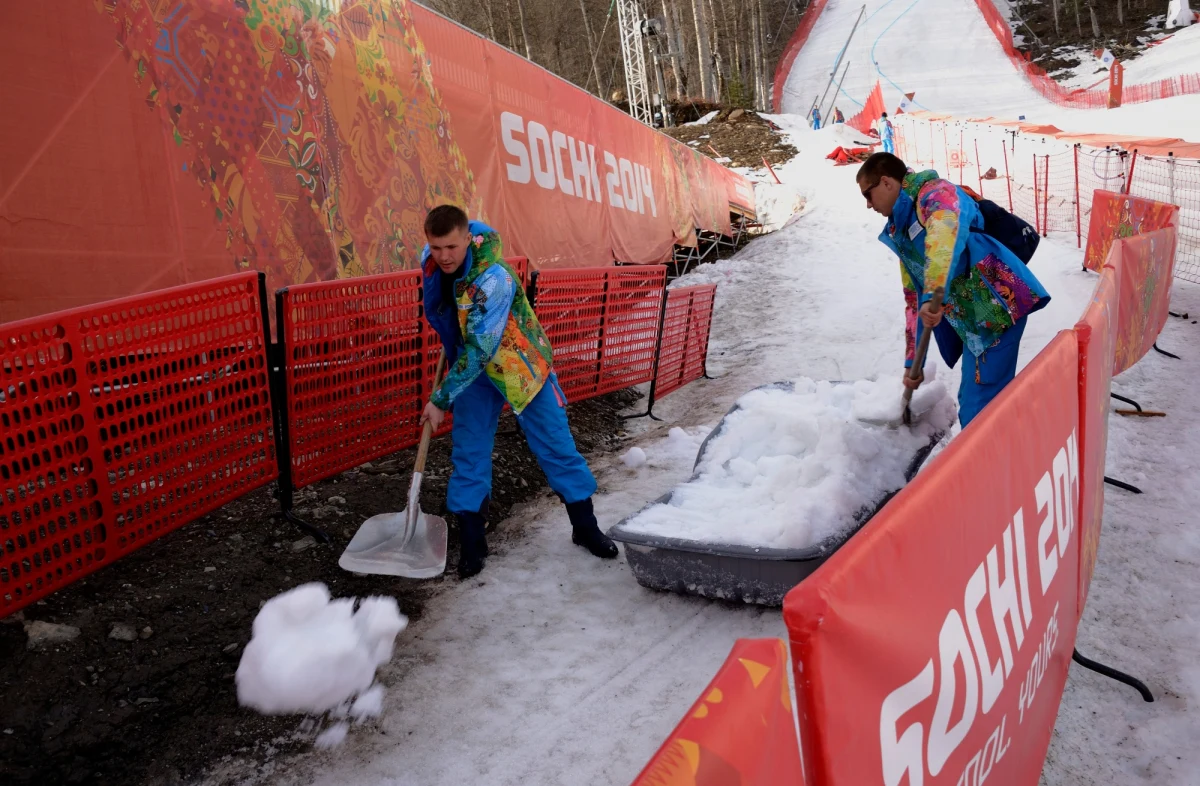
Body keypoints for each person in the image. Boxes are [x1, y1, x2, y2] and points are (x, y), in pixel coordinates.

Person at [420, 205, 619, 578]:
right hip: (472, 373)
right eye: (436, 247)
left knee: (555, 443)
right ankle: (474, 542)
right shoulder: (432, 263)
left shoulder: (493, 278)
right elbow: (454, 321)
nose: (444, 256)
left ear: (468, 239)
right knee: (469, 450)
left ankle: (586, 528)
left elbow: (483, 347)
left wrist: (440, 399)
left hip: (519, 366)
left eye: (451, 247)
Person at [856, 153, 1051, 428]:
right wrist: (914, 363)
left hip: (997, 306)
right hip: (973, 319)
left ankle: (987, 464)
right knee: (977, 399)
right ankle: (993, 454)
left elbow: (943, 237)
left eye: (868, 193)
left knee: (979, 407)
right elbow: (914, 300)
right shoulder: (900, 230)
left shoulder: (936, 194)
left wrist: (933, 293)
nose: (867, 204)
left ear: (886, 183)